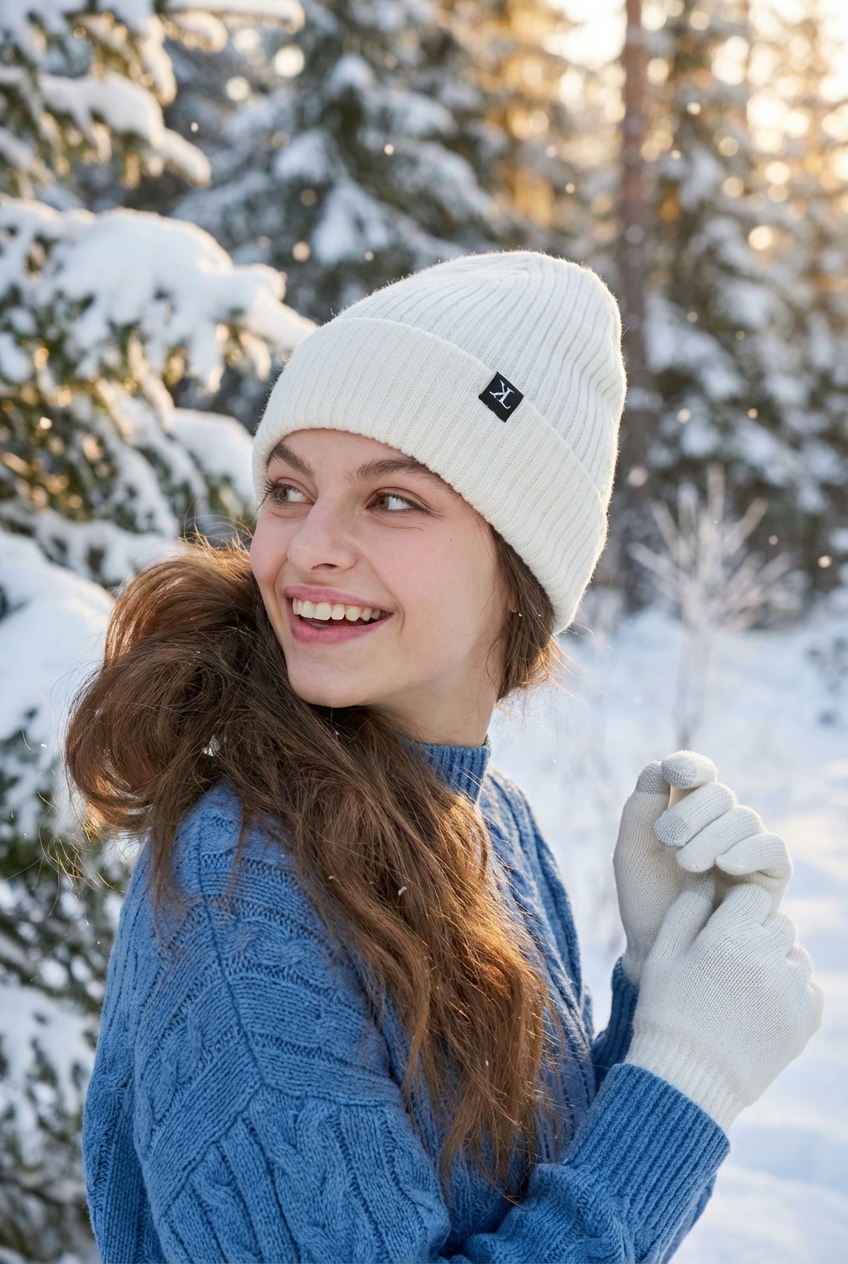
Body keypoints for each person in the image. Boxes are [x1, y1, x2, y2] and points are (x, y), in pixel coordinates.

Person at [69, 252, 822, 1264]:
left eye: (390, 501)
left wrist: (659, 992)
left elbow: (526, 1210)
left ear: (518, 569)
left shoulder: (486, 820)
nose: (307, 548)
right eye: (288, 489)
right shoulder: (240, 887)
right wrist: (683, 1084)